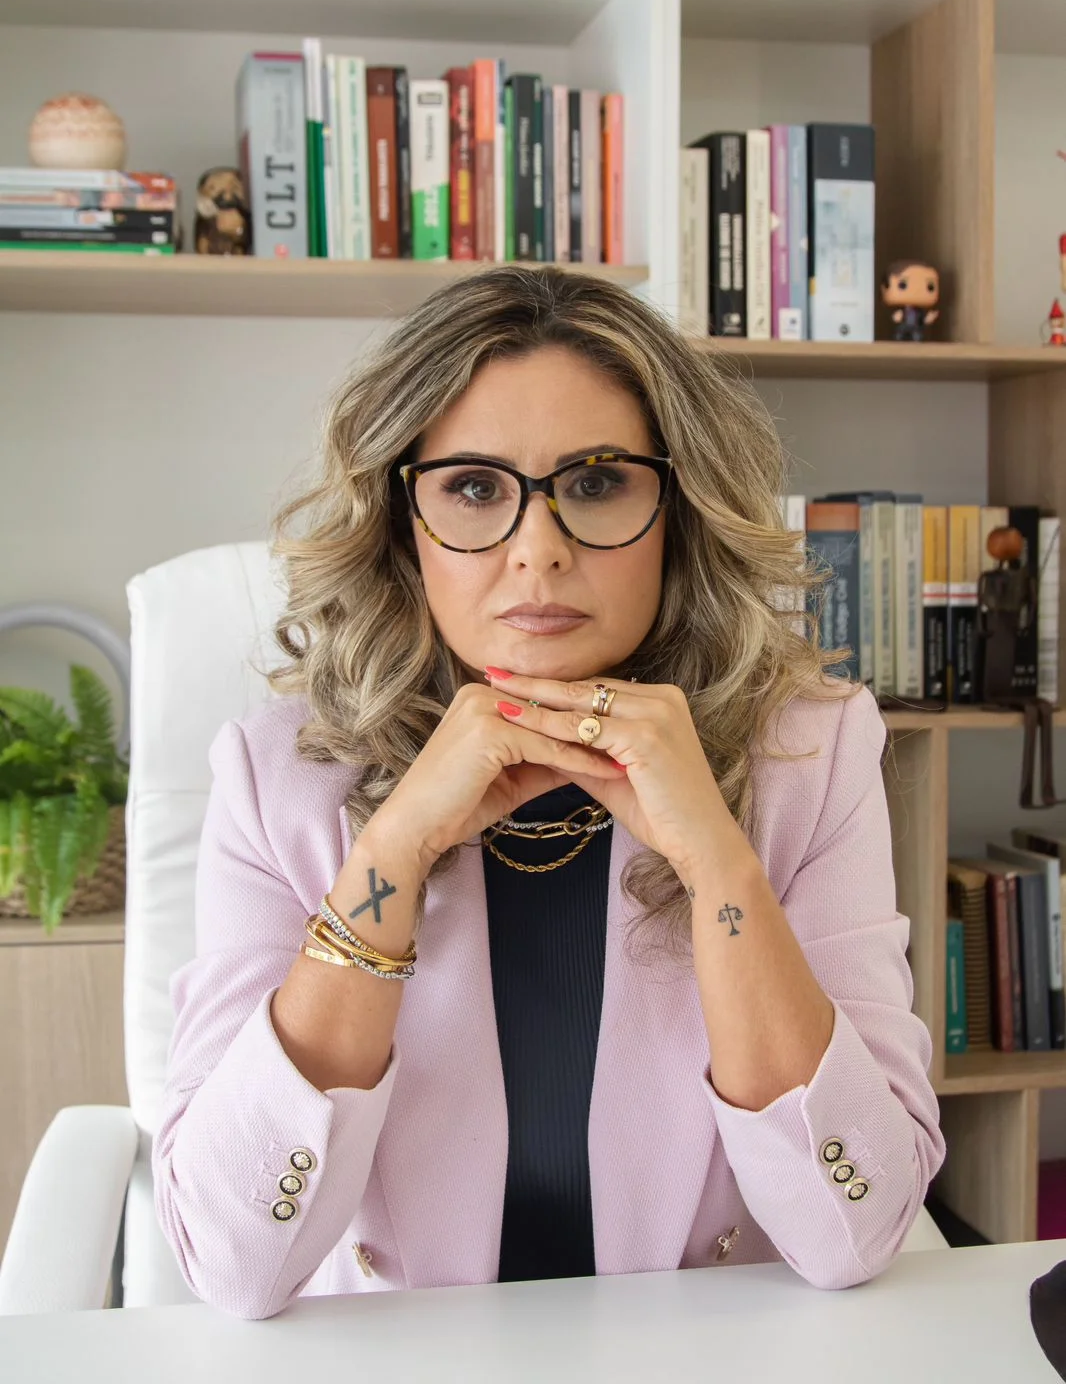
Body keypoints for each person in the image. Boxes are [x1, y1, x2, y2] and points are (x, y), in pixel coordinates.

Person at [153, 266, 945, 1320]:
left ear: (678, 510)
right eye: (475, 488)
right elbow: (234, 1266)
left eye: (598, 482)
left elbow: (856, 1231)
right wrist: (391, 854)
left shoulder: (811, 752)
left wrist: (718, 860)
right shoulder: (279, 777)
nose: (539, 551)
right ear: (403, 523)